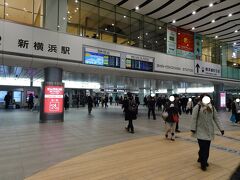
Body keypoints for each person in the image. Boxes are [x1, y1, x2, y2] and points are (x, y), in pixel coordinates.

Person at [191, 94, 224, 171]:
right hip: (200, 130)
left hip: (209, 131)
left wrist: (221, 129)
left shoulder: (211, 107)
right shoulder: (198, 107)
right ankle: (203, 163)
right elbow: (194, 118)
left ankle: (202, 158)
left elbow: (216, 118)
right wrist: (193, 128)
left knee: (206, 148)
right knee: (203, 148)